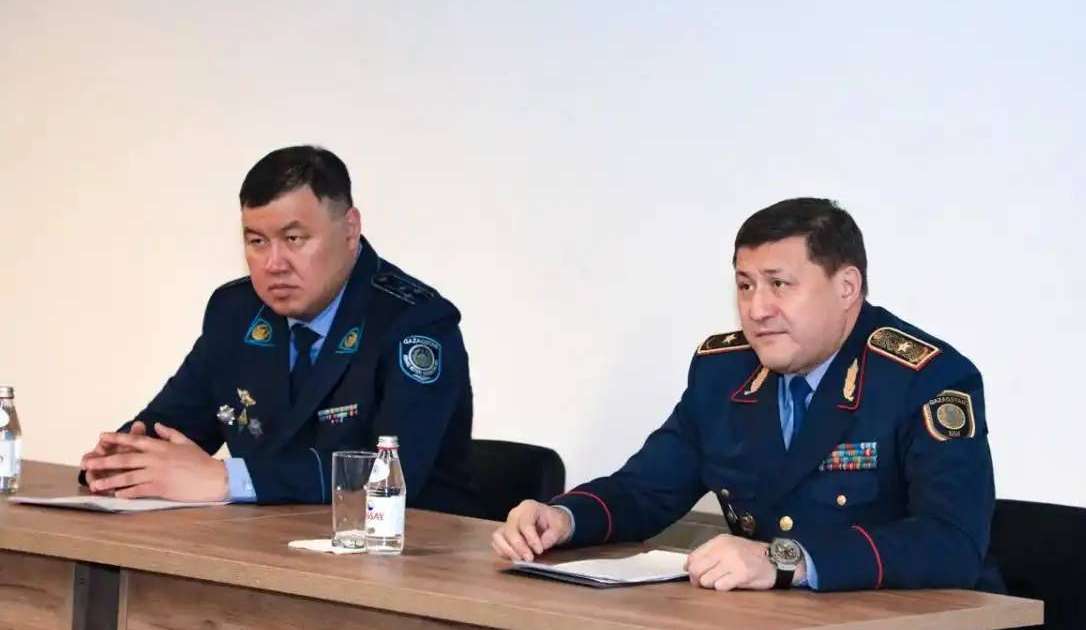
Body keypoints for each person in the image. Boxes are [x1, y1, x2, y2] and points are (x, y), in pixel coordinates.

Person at [492, 198, 1002, 592]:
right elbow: (646, 490)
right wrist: (563, 517)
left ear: (847, 287)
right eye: (744, 285)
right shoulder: (724, 372)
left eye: (779, 284)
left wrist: (789, 561)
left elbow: (951, 542)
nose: (757, 309)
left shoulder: (925, 379)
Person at [79, 145, 478, 514]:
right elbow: (170, 426)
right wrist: (120, 462)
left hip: (399, 563)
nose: (273, 263)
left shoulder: (415, 322)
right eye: (256, 241)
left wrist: (226, 479)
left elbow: (392, 475)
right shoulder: (235, 313)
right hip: (266, 551)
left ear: (350, 229)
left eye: (293, 238)